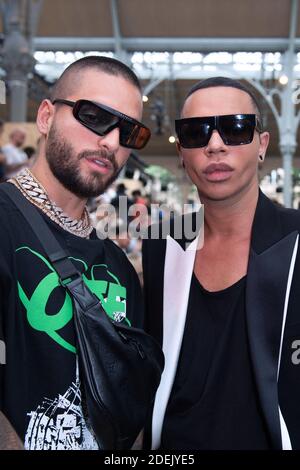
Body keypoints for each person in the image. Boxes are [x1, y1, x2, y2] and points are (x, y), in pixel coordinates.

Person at [0, 55, 151, 450]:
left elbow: (129, 398)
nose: (113, 142)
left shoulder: (118, 267)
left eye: (129, 133)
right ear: (46, 117)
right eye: (95, 116)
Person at [142, 76, 300, 450]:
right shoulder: (161, 245)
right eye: (196, 133)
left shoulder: (294, 239)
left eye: (235, 129)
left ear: (262, 145)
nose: (215, 145)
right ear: (181, 152)